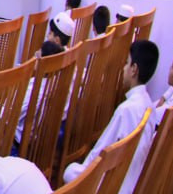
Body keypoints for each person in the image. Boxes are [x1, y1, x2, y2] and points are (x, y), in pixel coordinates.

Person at [63, 41, 158, 184]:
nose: (124, 68)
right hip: (130, 182)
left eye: (127, 63)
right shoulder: (149, 106)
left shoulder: (126, 110)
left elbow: (98, 155)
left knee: (70, 171)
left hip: (111, 186)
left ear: (134, 69)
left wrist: (80, 171)